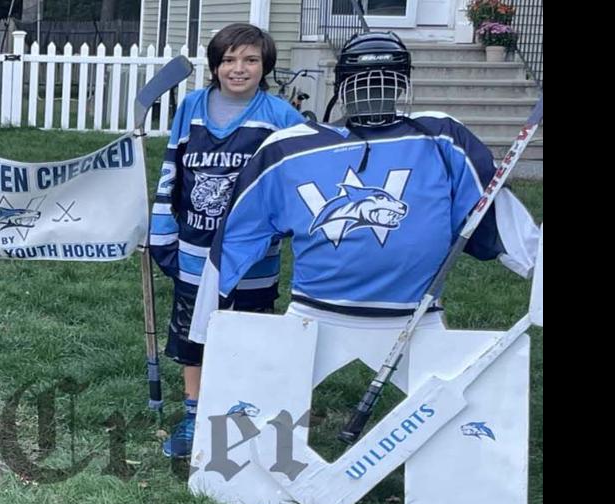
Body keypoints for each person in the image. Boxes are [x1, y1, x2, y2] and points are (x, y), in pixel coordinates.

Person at [193, 31, 534, 343]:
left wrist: (535, 259)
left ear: (401, 84)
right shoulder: (288, 147)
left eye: (385, 81)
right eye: (362, 81)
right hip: (314, 311)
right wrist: (207, 317)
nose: (373, 91)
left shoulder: (444, 137)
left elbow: (491, 210)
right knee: (279, 404)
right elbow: (236, 233)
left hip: (417, 313)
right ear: (342, 86)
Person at [148, 23, 305, 458]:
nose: (239, 69)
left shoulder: (279, 115)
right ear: (215, 66)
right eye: (229, 60)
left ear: (264, 66)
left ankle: (240, 414)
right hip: (196, 248)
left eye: (250, 60)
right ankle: (195, 415)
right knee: (191, 336)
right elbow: (171, 170)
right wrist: (162, 229)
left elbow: (299, 178)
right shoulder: (193, 106)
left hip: (253, 254)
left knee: (248, 333)